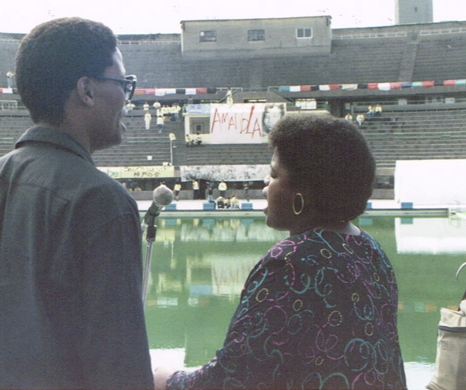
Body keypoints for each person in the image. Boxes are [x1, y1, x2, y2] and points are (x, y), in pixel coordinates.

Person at [0, 17, 153, 389]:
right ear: (86, 89)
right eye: (122, 84)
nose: (127, 99)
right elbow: (120, 366)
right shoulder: (101, 200)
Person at [155, 113, 406, 389]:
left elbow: (234, 379)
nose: (265, 185)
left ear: (302, 194)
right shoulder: (371, 250)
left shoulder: (292, 262)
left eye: (274, 174)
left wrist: (168, 380)